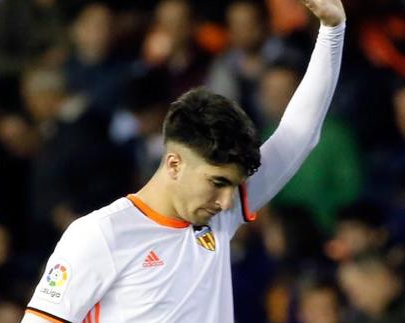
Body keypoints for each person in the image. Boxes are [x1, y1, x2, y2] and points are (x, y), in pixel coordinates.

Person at [21, 0, 346, 322]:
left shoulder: (220, 217)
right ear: (174, 163)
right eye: (217, 182)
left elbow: (298, 134)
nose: (226, 201)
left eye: (233, 185)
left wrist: (333, 31)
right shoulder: (100, 236)